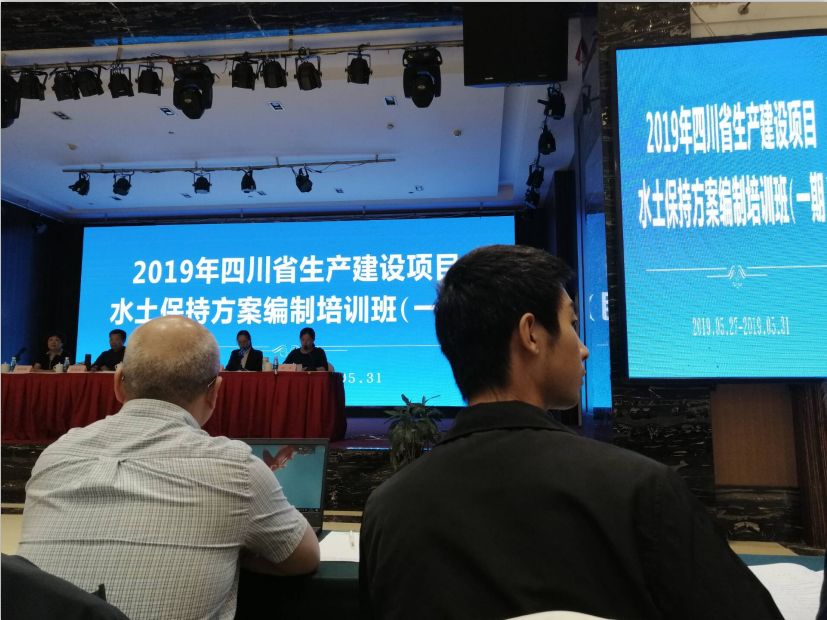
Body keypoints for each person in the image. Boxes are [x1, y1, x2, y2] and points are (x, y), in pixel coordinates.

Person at [359, 245, 782, 620]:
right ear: (531, 334)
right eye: (573, 323)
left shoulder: (388, 510)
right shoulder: (640, 491)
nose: (583, 348)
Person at [17, 315, 320, 620]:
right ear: (214, 392)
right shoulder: (237, 470)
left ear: (118, 384)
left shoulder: (55, 457)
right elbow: (303, 558)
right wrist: (235, 553)